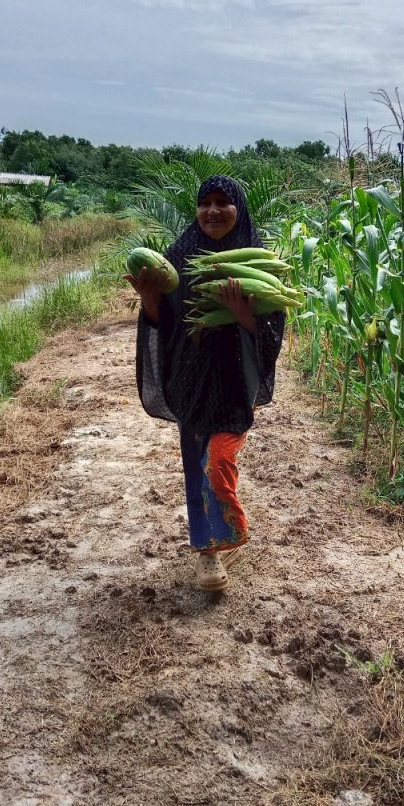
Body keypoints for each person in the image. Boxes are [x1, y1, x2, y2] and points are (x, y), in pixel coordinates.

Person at [126, 175, 285, 593]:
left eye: (222, 202)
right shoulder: (177, 258)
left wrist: (244, 316)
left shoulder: (258, 261)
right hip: (190, 381)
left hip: (234, 383)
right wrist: (149, 299)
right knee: (197, 466)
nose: (212, 211)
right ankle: (208, 550)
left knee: (218, 460)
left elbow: (273, 331)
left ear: (238, 209)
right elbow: (161, 322)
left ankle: (228, 530)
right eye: (204, 203)